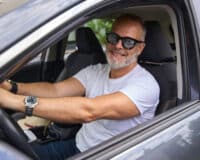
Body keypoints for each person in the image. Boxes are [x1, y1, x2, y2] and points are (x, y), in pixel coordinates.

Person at [0, 14, 160, 160]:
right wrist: (12, 87)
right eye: (113, 37)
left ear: (140, 48)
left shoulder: (145, 85)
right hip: (77, 145)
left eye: (128, 42)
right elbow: (56, 90)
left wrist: (14, 101)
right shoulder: (96, 71)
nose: (118, 45)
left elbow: (89, 111)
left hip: (109, 155)